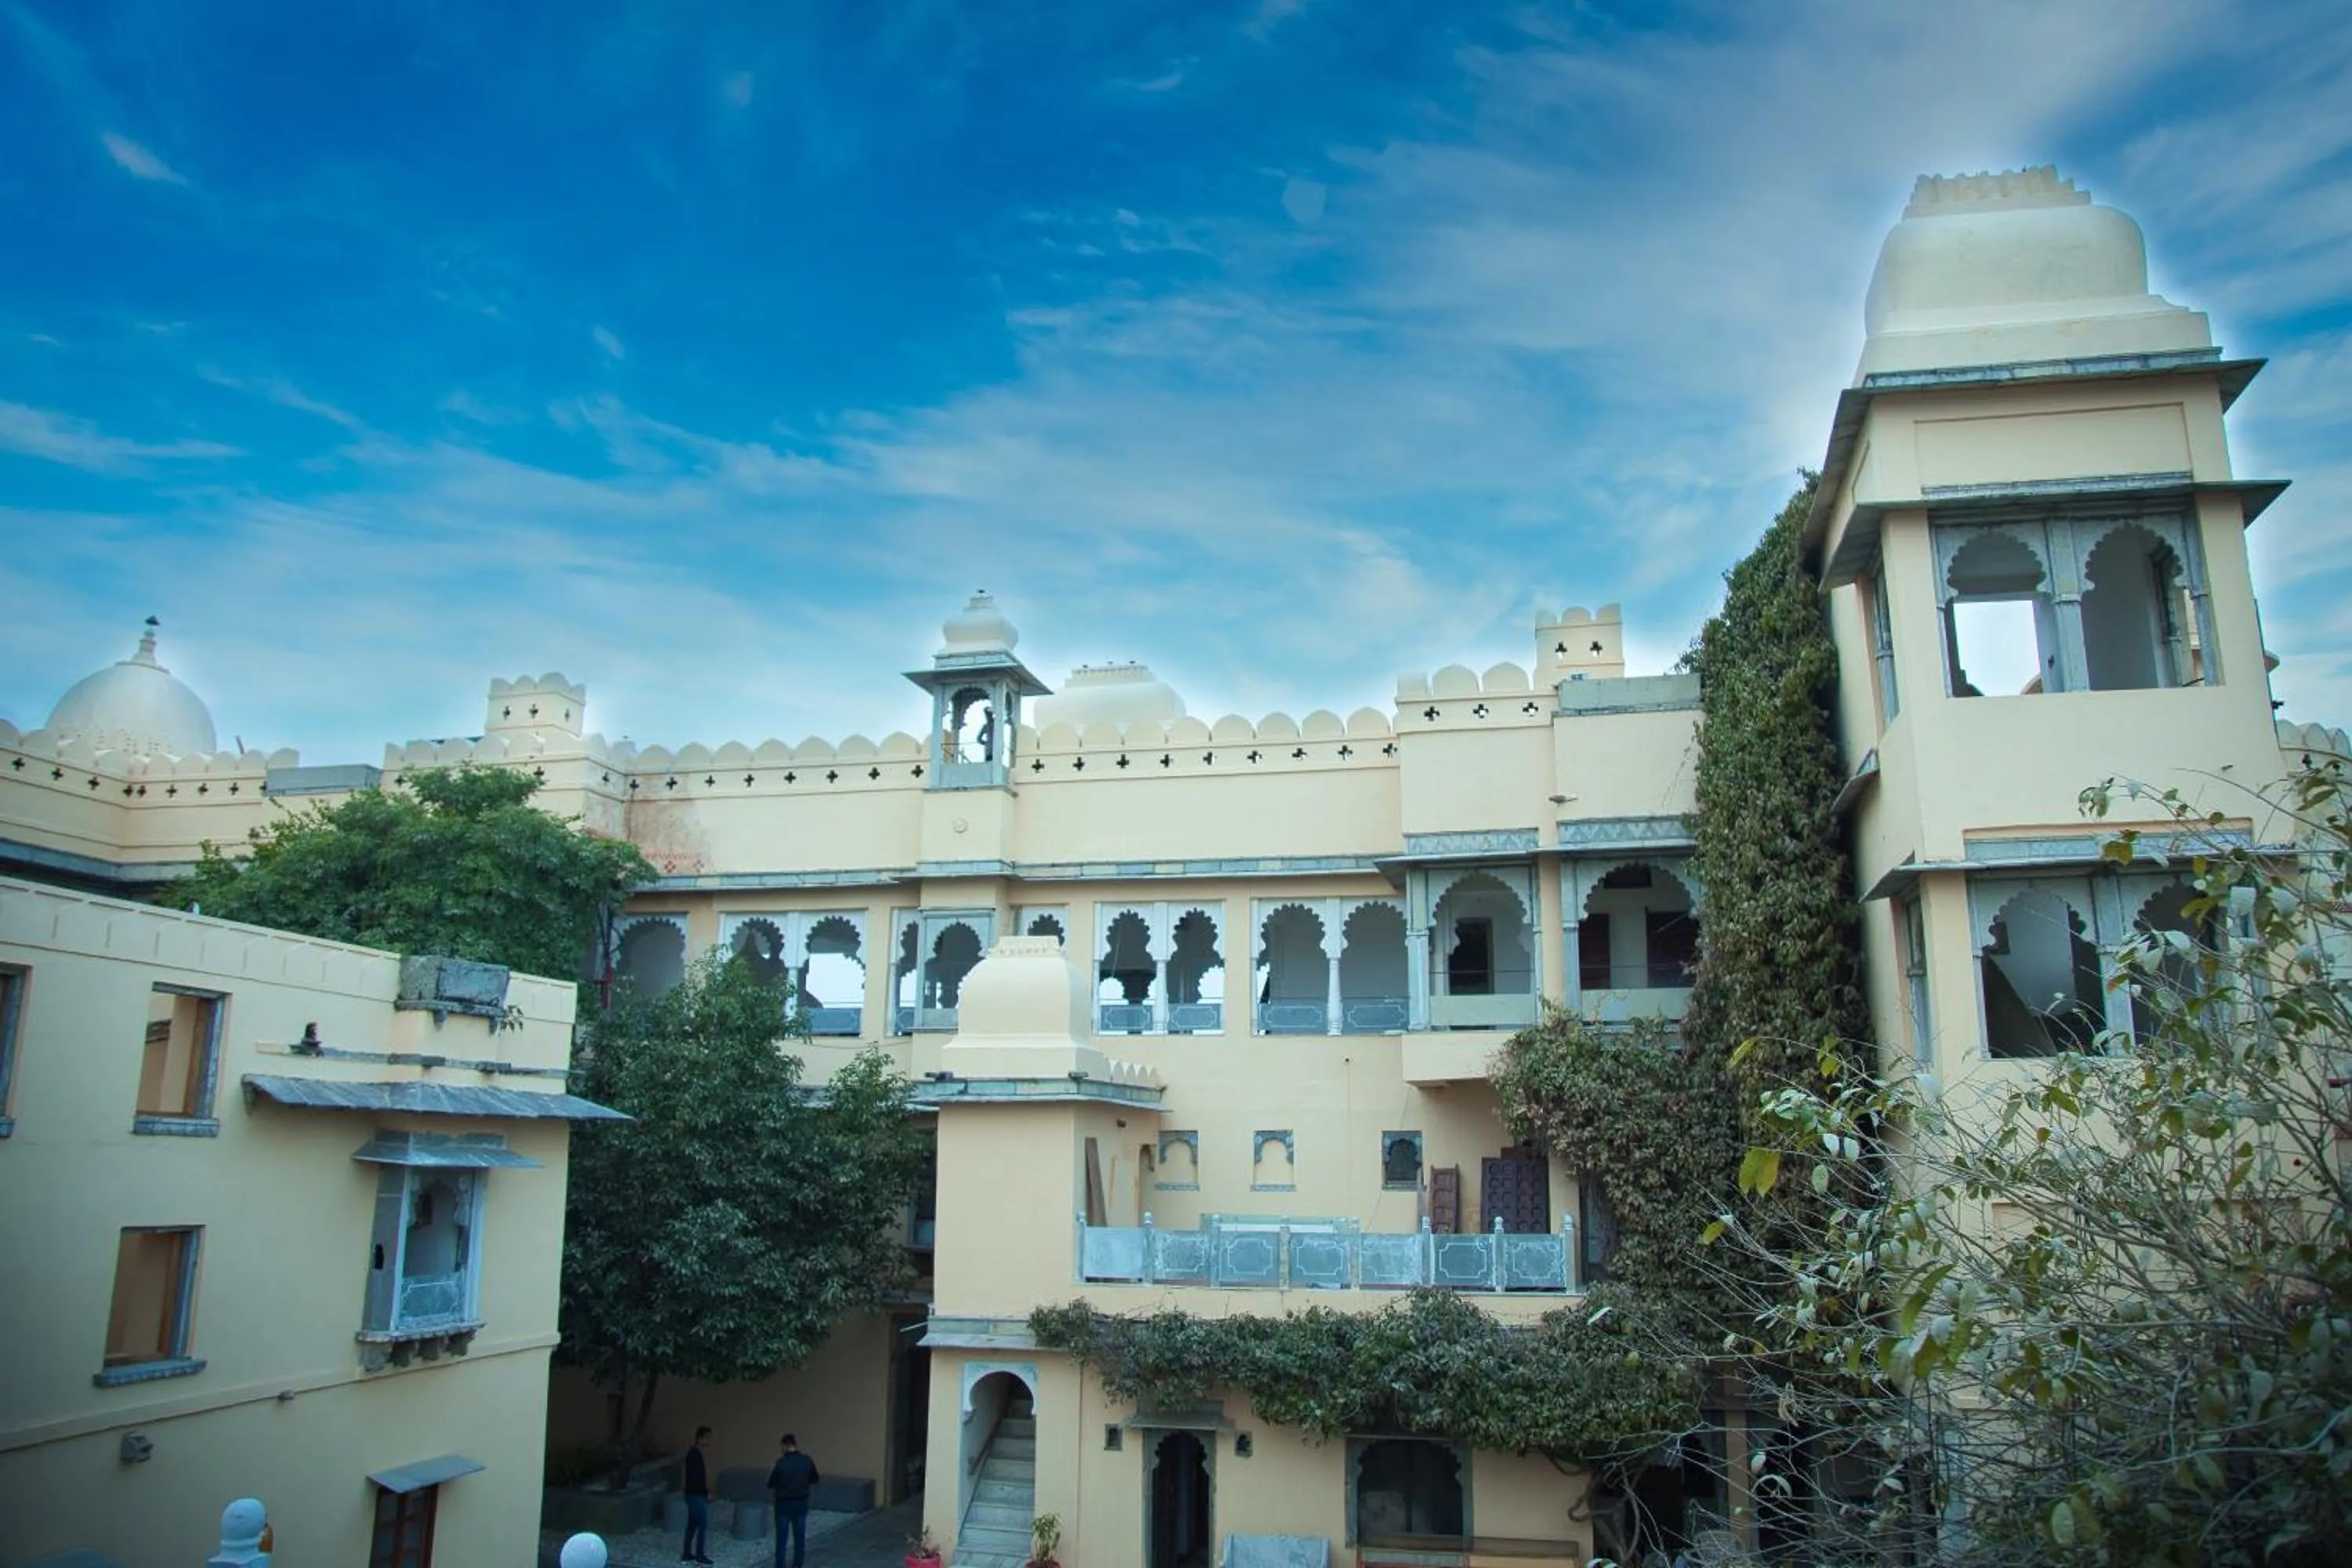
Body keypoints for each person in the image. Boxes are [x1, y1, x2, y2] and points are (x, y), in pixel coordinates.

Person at [767, 1431, 821, 1568]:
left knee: (782, 1539)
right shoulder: (807, 1460)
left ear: (785, 1446)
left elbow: (771, 1483)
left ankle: (780, 1565)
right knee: (799, 1537)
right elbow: (815, 1479)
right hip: (801, 1502)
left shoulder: (781, 1463)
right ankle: (798, 1564)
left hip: (783, 1504)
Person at [681, 1425, 713, 1566]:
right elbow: (696, 1478)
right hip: (695, 1495)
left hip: (693, 1494)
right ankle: (700, 1554)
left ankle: (687, 1553)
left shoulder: (695, 1454)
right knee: (703, 1524)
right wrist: (705, 1492)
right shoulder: (694, 1455)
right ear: (700, 1439)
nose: (709, 1441)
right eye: (707, 1438)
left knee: (692, 1525)